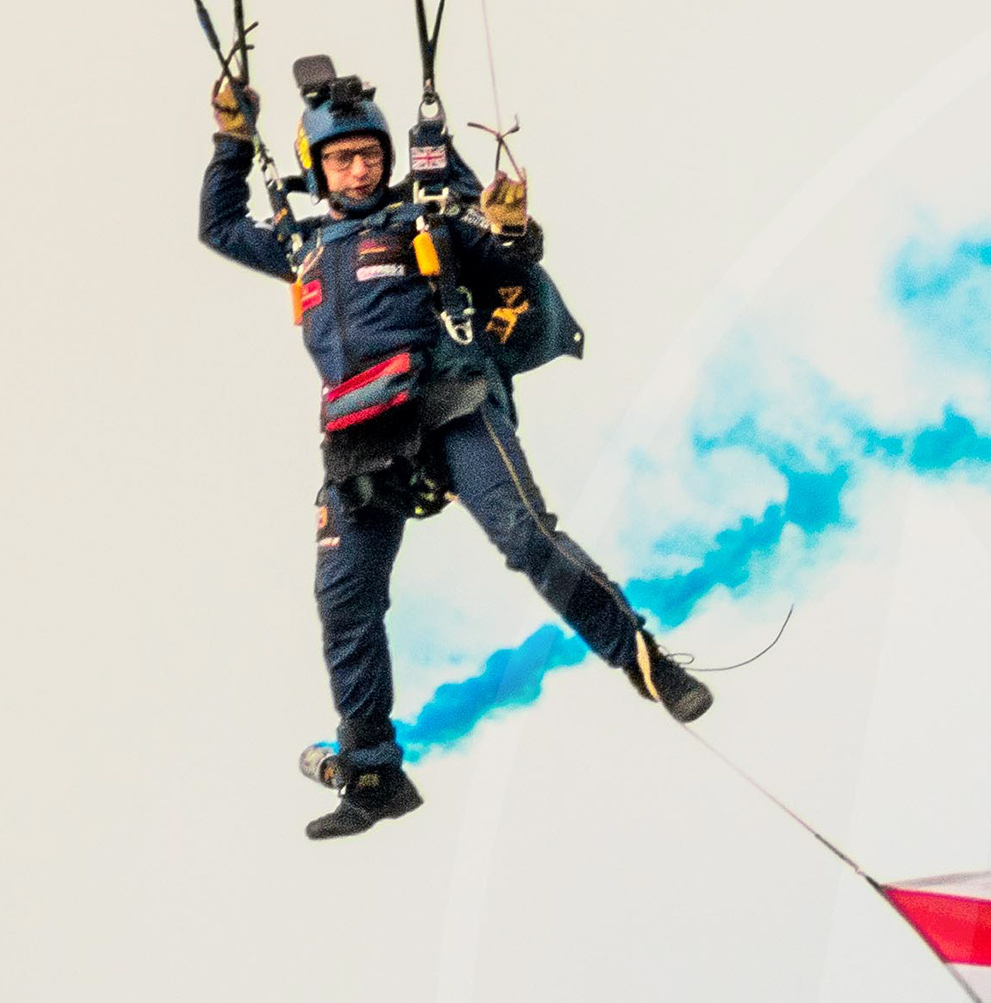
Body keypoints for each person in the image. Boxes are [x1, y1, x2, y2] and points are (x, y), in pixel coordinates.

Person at [201, 65, 709, 840]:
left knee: (524, 536)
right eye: (342, 159)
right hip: (357, 433)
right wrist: (233, 140)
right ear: (317, 169)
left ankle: (645, 662)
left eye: (370, 153)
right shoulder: (300, 244)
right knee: (345, 600)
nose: (362, 168)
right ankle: (371, 772)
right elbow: (220, 226)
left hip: (448, 400)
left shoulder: (425, 218)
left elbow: (509, 256)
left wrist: (510, 228)